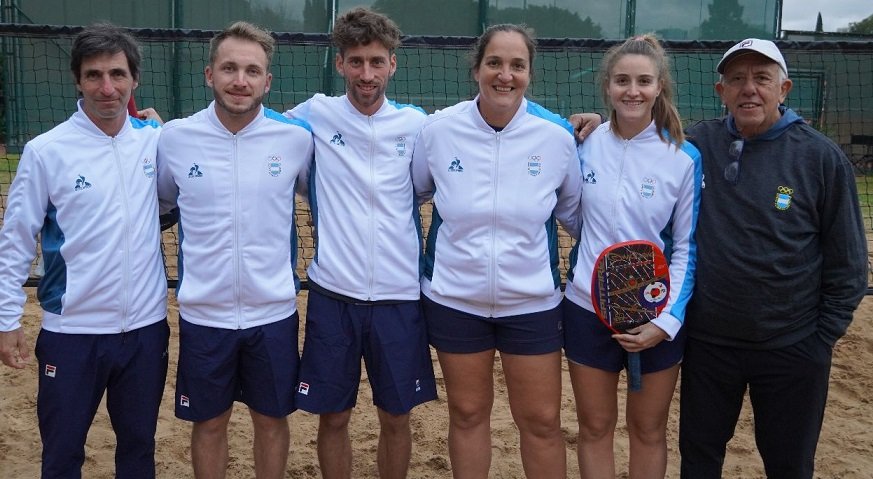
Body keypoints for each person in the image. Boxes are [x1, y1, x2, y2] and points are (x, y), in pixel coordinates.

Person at [676, 38, 868, 478]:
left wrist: (817, 341)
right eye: (737, 79)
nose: (749, 89)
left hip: (792, 347)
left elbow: (850, 267)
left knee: (789, 465)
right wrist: (594, 124)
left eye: (762, 78)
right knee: (699, 460)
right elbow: (637, 140)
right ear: (720, 90)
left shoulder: (821, 157)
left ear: (784, 89)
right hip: (710, 345)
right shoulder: (694, 145)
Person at [411, 24, 583, 478]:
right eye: (495, 63)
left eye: (517, 65)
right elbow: (418, 191)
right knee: (467, 415)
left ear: (530, 73)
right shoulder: (438, 131)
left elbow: (574, 214)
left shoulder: (557, 137)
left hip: (532, 304)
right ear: (477, 69)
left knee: (543, 421)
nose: (505, 75)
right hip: (454, 300)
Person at [0, 23, 169, 478]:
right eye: (94, 75)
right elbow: (15, 240)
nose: (107, 87)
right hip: (71, 332)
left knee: (139, 450)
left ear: (134, 80)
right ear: (77, 79)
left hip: (146, 331)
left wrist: (158, 128)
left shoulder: (157, 142)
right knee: (62, 453)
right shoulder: (46, 151)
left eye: (117, 74)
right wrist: (6, 319)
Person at [282, 7, 437, 478]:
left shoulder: (418, 125)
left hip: (399, 297)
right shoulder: (313, 114)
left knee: (396, 416)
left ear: (392, 63)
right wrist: (157, 127)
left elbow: (434, 180)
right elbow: (246, 124)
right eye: (355, 61)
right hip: (333, 294)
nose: (366, 74)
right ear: (340, 64)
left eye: (375, 61)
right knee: (335, 416)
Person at [155, 21, 314, 479]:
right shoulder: (175, 138)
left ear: (267, 81)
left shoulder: (295, 139)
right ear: (209, 75)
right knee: (209, 422)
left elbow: (321, 193)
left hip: (274, 312)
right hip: (205, 315)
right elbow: (165, 202)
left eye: (251, 70)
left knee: (271, 419)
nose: (239, 80)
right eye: (229, 68)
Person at [562, 35, 701, 478]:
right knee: (595, 427)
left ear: (660, 86)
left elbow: (687, 248)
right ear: (607, 86)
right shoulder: (582, 144)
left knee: (647, 429)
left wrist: (665, 322)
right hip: (587, 308)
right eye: (622, 80)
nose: (632, 90)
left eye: (643, 81)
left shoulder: (682, 157)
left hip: (656, 315)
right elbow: (573, 218)